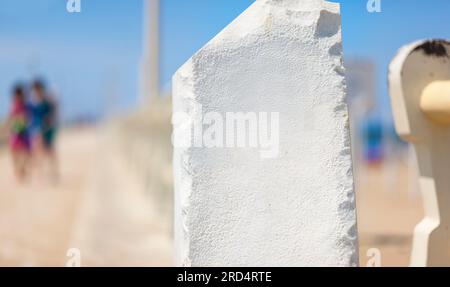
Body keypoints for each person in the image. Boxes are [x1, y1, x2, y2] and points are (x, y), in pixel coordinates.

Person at [29, 79, 59, 181]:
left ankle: (53, 172)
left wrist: (49, 121)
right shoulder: (32, 103)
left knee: (50, 151)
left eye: (38, 89)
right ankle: (40, 174)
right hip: (36, 128)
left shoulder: (47, 102)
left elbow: (52, 114)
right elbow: (29, 116)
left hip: (47, 129)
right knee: (37, 151)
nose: (37, 91)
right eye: (35, 89)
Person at [7, 84, 31, 182]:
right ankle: (18, 170)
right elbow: (11, 118)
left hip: (23, 131)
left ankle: (22, 169)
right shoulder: (13, 105)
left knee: (26, 152)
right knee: (14, 153)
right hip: (15, 131)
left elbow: (27, 117)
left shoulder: (25, 105)